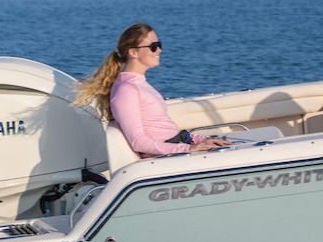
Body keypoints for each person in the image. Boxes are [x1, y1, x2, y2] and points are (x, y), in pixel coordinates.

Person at [74, 23, 229, 157]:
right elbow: (139, 142)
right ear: (133, 52)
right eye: (153, 47)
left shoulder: (137, 84)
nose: (159, 51)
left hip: (178, 149)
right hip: (166, 159)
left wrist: (199, 140)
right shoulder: (126, 90)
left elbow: (164, 127)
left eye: (159, 45)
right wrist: (188, 148)